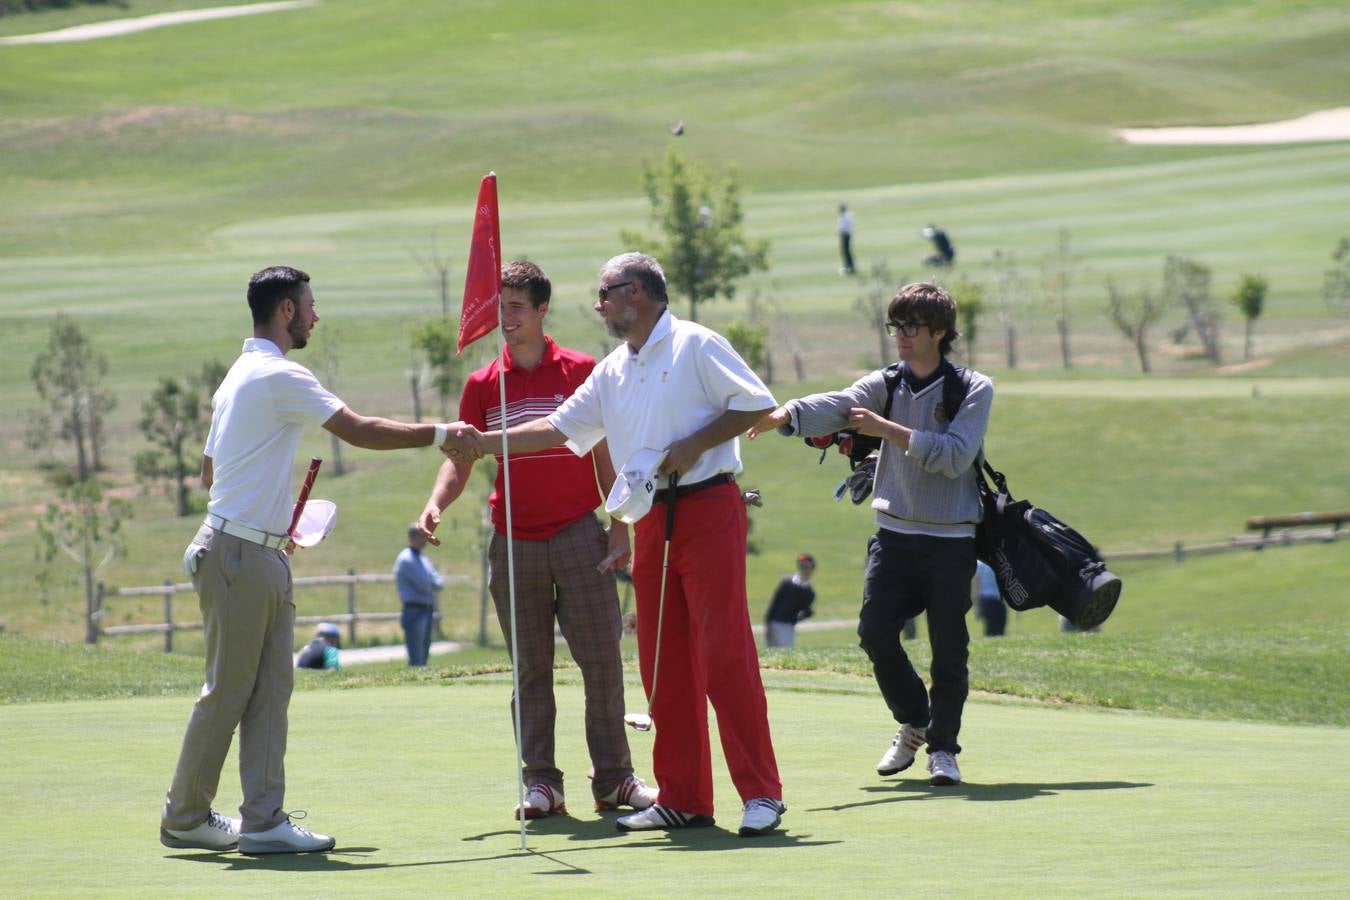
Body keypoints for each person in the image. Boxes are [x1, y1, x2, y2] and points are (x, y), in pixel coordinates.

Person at [445, 252, 787, 837]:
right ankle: (684, 797)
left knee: (724, 654)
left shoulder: (696, 345)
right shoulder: (612, 370)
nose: (598, 305)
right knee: (662, 662)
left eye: (605, 294)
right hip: (652, 516)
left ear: (636, 293)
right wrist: (485, 442)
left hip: (707, 505)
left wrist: (695, 442)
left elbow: (757, 404)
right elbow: (557, 426)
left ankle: (761, 794)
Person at [160, 265, 470, 855]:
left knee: (271, 689)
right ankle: (185, 816)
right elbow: (360, 429)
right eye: (309, 305)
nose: (315, 315)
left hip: (257, 550)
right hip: (240, 554)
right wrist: (440, 433)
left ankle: (264, 820)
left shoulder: (238, 376)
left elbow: (209, 471)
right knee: (228, 692)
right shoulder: (278, 374)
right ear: (285, 311)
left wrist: (274, 516)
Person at [418, 259, 657, 821]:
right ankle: (542, 782)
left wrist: (619, 524)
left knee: (601, 661)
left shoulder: (580, 370)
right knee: (531, 669)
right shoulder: (483, 385)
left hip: (579, 532)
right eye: (500, 308)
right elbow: (462, 460)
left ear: (542, 309)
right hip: (512, 540)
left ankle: (615, 778)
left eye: (517, 308)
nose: (506, 318)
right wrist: (436, 503)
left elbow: (605, 454)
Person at [749, 282, 992, 788]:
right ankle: (918, 723)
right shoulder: (885, 382)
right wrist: (787, 415)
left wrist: (887, 430)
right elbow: (840, 405)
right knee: (875, 632)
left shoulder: (973, 389)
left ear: (940, 332)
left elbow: (953, 457)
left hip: (950, 539)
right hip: (894, 536)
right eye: (895, 326)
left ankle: (944, 749)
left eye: (911, 327)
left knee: (949, 647)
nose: (900, 336)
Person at [394, 522, 443, 667]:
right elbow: (424, 584)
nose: (425, 539)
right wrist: (432, 581)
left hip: (426, 609)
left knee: (425, 654)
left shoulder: (422, 558)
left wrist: (432, 581)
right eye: (423, 536)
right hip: (414, 610)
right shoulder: (406, 559)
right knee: (416, 656)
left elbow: (437, 581)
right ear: (413, 537)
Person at [764, 554, 816, 648]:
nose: (804, 569)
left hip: (787, 626)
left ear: (812, 569)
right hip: (774, 623)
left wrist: (806, 614)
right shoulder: (786, 582)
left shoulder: (809, 591)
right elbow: (774, 602)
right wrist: (768, 622)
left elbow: (804, 611)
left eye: (806, 567)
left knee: (785, 654)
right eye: (802, 566)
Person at [974, 560, 1006, 637]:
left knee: (992, 629)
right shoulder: (1000, 562)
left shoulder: (979, 565)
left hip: (987, 600)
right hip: (994, 600)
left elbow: (976, 586)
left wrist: (977, 606)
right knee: (997, 629)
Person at [837, 204, 856, 275]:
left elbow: (842, 228)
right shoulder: (848, 216)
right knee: (847, 251)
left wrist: (838, 231)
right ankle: (851, 267)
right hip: (848, 235)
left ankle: (848, 267)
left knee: (845, 252)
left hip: (845, 235)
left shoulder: (843, 217)